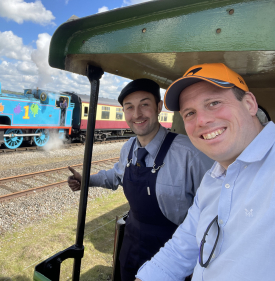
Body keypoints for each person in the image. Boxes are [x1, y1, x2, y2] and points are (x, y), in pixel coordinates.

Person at [135, 63, 274, 281]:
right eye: (189, 113)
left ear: (249, 104)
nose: (201, 121)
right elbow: (181, 249)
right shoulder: (213, 178)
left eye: (214, 103)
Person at [67, 78, 213, 281]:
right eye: (129, 107)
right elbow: (116, 176)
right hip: (132, 248)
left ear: (159, 107)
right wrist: (87, 181)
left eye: (145, 104)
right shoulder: (128, 148)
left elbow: (213, 211)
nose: (137, 114)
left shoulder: (190, 154)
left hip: (173, 258)